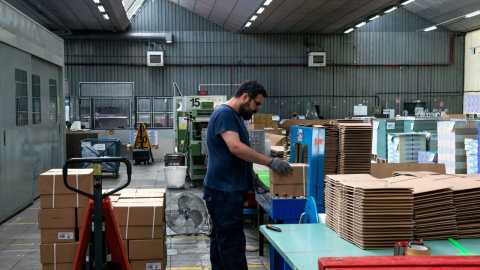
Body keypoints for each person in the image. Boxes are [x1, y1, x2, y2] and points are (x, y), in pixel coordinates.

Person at [203, 80, 292, 270]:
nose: (258, 109)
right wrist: (270, 161)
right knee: (232, 244)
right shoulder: (225, 114)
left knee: (222, 240)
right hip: (224, 192)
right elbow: (235, 147)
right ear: (245, 97)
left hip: (226, 189)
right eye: (257, 104)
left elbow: (231, 156)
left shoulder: (234, 116)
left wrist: (251, 176)